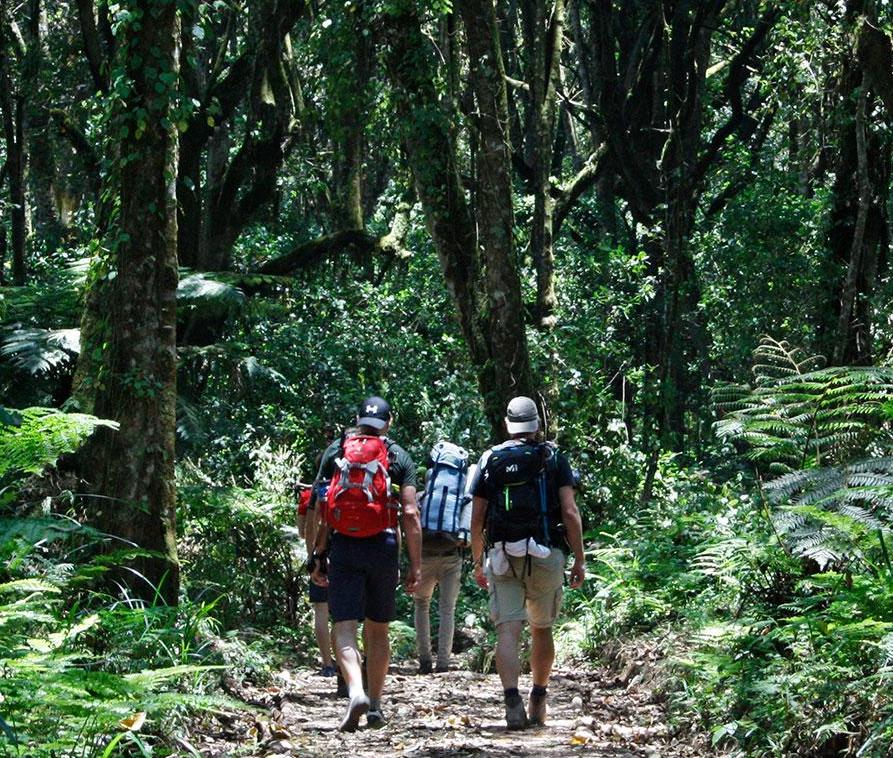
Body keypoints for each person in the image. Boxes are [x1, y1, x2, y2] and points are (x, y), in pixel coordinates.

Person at [470, 395, 585, 730]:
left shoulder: (490, 459)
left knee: (508, 629)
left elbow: (477, 519)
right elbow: (570, 511)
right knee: (541, 628)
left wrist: (478, 561)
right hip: (546, 555)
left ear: (508, 424)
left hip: (503, 555)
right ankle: (539, 696)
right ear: (537, 423)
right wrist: (579, 558)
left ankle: (511, 701)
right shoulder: (553, 457)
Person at [309, 396, 422, 732]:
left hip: (343, 545)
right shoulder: (398, 456)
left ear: (358, 419)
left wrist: (317, 554)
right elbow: (412, 514)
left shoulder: (336, 451)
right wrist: (415, 564)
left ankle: (354, 689)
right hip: (383, 545)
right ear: (389, 423)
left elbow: (320, 508)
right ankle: (374, 705)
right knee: (378, 628)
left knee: (343, 625)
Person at [414, 521, 463, 674]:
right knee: (447, 609)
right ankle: (443, 663)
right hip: (451, 557)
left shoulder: (422, 495)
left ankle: (425, 660)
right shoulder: (460, 496)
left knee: (421, 604)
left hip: (425, 556)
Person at [301, 477, 336, 677]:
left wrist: (312, 558)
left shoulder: (317, 489)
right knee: (342, 615)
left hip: (319, 557)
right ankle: (344, 661)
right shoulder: (353, 482)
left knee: (321, 611)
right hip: (344, 556)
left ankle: (327, 664)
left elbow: (304, 529)